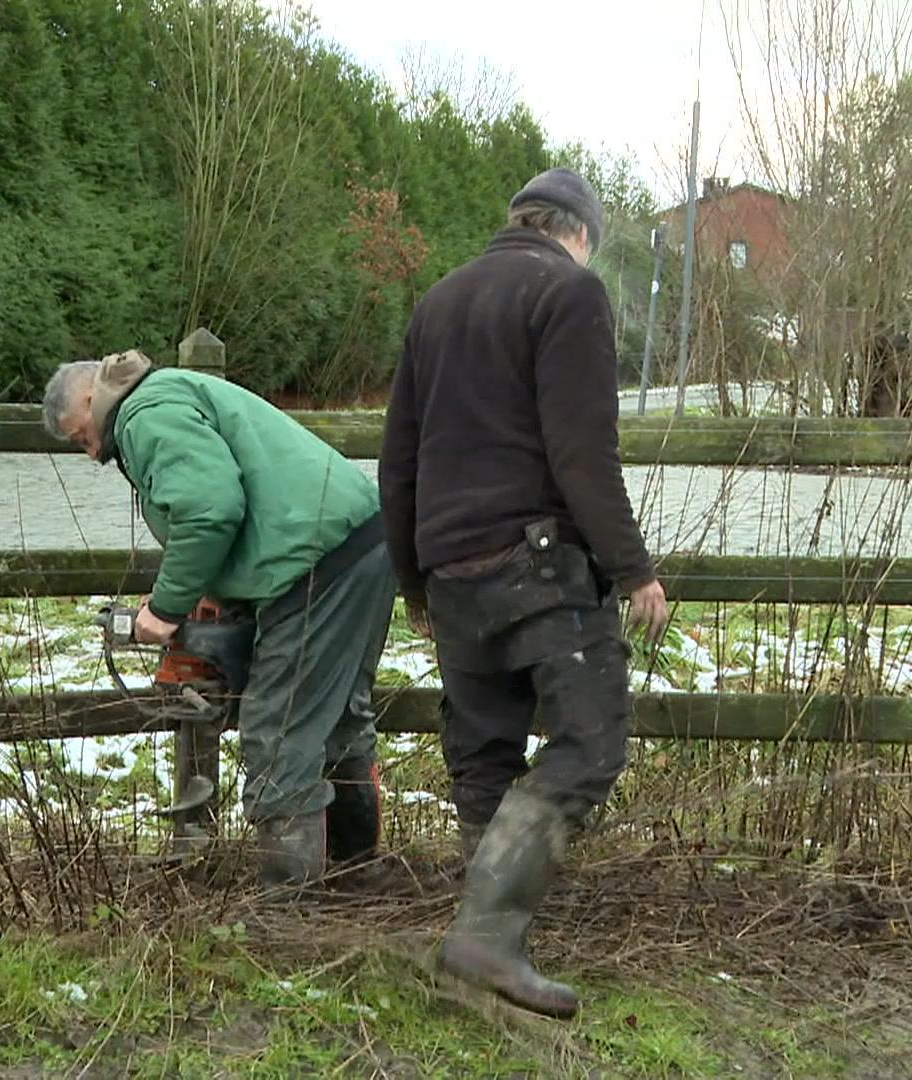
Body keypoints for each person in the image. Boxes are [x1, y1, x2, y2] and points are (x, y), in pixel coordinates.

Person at [377, 167, 670, 1019]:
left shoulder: (438, 302)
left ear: (517, 221)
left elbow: (399, 461)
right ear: (579, 234)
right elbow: (583, 451)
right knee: (590, 738)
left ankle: (480, 951)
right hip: (536, 564)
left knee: (485, 753)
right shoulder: (570, 293)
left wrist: (413, 582)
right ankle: (488, 936)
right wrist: (632, 568)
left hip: (449, 568)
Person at [42, 348, 397, 890]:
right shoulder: (168, 392)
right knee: (338, 716)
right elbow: (237, 498)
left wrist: (165, 609)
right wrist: (216, 589)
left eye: (79, 436)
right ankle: (357, 878)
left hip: (315, 566)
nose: (90, 453)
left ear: (91, 399)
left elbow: (208, 509)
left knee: (278, 731)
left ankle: (287, 903)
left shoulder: (144, 415)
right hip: (359, 544)